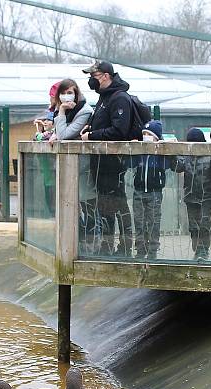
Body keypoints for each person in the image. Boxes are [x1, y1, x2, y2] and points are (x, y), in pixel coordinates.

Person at [81, 60, 135, 257]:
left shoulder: (119, 98)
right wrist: (91, 128)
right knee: (105, 206)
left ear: (105, 76)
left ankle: (125, 248)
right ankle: (107, 246)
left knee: (119, 204)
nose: (91, 81)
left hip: (114, 163)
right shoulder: (104, 98)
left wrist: (92, 136)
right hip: (100, 164)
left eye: (93, 77)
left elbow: (119, 131)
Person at [47, 79, 98, 252]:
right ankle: (76, 244)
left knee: (88, 207)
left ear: (77, 93)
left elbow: (65, 134)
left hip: (84, 168)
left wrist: (60, 111)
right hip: (69, 169)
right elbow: (59, 133)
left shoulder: (84, 111)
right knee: (71, 208)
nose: (67, 96)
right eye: (64, 92)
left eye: (70, 92)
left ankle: (92, 245)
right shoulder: (64, 111)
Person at [175, 128, 211, 261]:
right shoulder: (186, 157)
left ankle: (203, 251)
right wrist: (174, 152)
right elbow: (177, 167)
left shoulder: (210, 156)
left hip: (207, 196)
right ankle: (197, 248)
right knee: (194, 225)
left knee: (204, 222)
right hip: (191, 195)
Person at [131, 120, 170, 260]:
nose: (145, 136)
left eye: (149, 134)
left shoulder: (160, 153)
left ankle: (153, 250)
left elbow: (168, 165)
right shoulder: (141, 151)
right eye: (144, 134)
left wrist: (164, 150)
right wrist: (133, 149)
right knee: (139, 221)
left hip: (155, 192)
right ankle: (141, 249)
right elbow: (129, 164)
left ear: (157, 137)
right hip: (139, 190)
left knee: (153, 221)